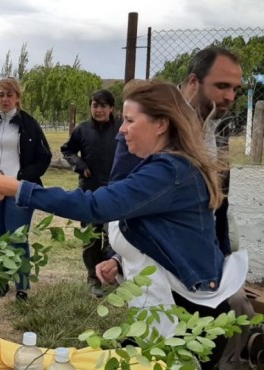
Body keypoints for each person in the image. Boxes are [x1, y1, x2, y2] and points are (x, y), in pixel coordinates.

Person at [0, 80, 247, 370]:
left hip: (187, 321)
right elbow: (159, 231)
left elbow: (96, 205)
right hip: (161, 312)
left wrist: (19, 188)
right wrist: (119, 260)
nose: (121, 129)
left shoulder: (170, 171)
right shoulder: (161, 166)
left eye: (130, 120)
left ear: (161, 125)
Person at [108, 47, 251, 370]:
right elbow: (121, 201)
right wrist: (116, 256)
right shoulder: (146, 127)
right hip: (163, 266)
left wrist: (222, 259)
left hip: (202, 266)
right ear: (192, 82)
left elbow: (214, 209)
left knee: (204, 342)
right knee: (160, 346)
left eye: (235, 89)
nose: (230, 96)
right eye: (222, 86)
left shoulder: (215, 129)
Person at [0, 77, 52, 301]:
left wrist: (20, 178)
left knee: (17, 238)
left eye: (10, 95)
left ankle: (22, 284)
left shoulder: (29, 124)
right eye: (1, 94)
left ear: (18, 97)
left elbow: (43, 157)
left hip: (18, 189)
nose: (5, 99)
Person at [60, 89, 120, 297]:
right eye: (95, 105)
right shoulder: (82, 130)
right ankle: (93, 278)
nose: (99, 110)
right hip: (89, 191)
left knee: (114, 236)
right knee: (91, 237)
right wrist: (79, 164)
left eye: (103, 106)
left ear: (112, 108)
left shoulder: (121, 129)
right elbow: (67, 150)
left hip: (116, 191)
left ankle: (114, 275)